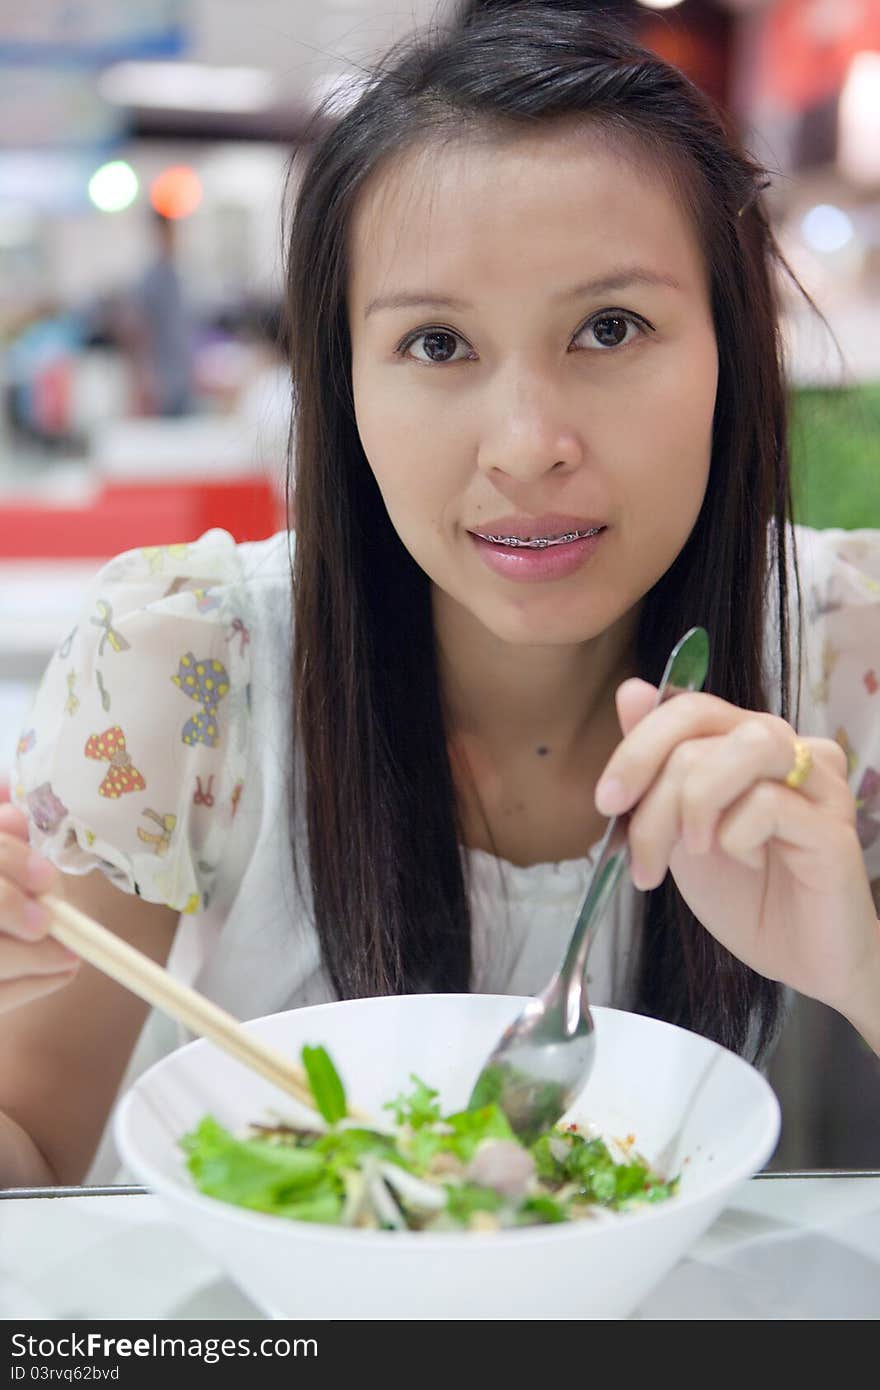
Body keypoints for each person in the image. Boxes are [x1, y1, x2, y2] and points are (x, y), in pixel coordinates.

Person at [1, 0, 878, 1188]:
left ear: (730, 343)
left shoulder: (842, 653)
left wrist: (860, 964)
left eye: (609, 327)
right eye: (435, 345)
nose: (525, 446)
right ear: (340, 379)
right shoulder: (183, 665)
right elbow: (31, 1159)